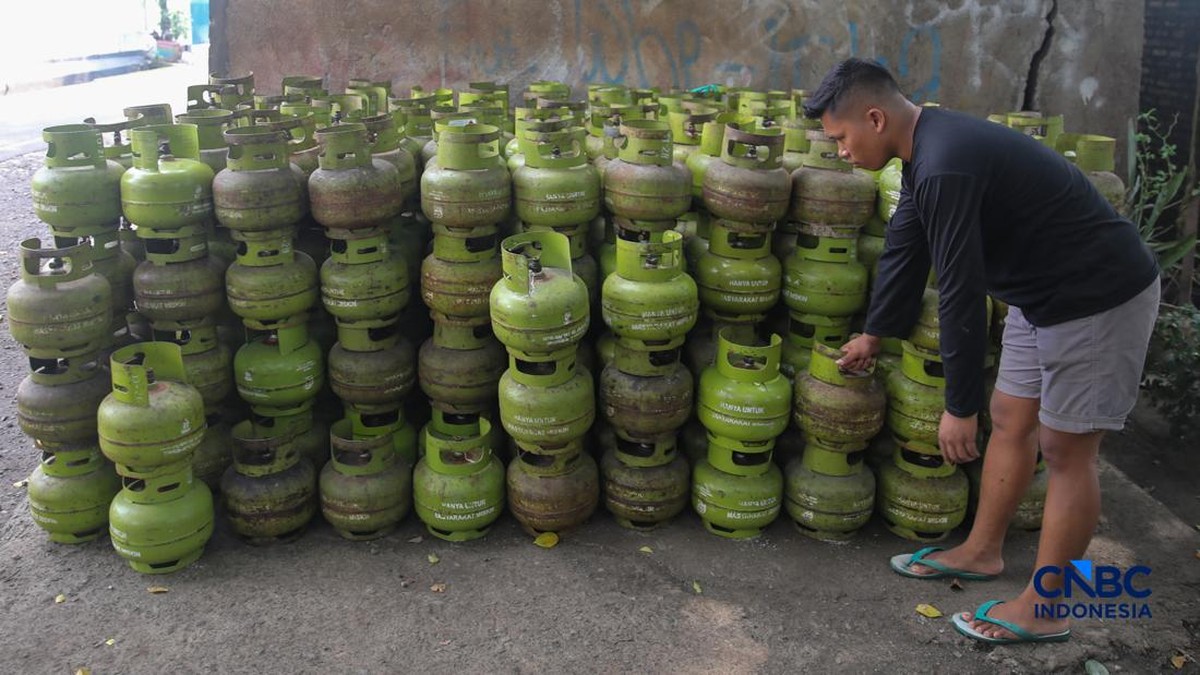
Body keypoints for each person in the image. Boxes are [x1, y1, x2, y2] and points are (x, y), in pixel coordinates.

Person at [803, 58, 1160, 645]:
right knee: (1011, 419)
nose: (839, 151)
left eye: (841, 138)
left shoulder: (945, 164)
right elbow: (904, 246)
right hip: (1037, 293)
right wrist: (875, 332)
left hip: (1096, 295)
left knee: (1066, 449)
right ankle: (981, 551)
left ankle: (1047, 608)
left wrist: (957, 403)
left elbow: (961, 294)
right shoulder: (924, 150)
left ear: (874, 117)